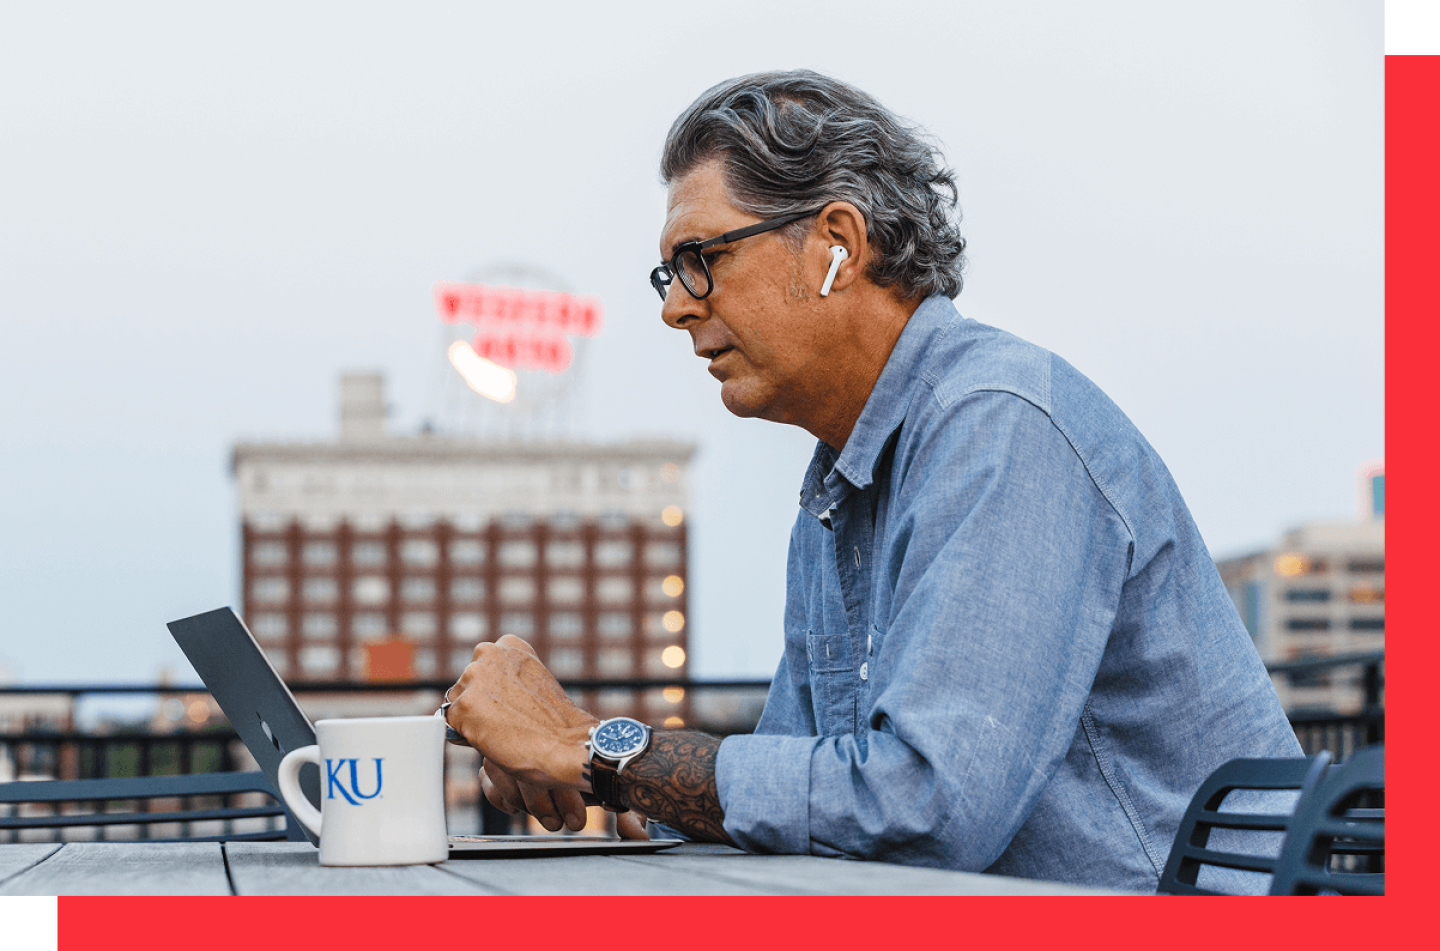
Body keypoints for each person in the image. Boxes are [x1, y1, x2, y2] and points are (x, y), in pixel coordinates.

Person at [444, 69, 1302, 893]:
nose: (676, 306)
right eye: (669, 274)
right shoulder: (838, 487)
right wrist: (581, 762)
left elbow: (930, 807)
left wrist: (592, 748)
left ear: (838, 245)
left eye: (701, 257)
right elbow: (794, 803)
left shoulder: (999, 426)